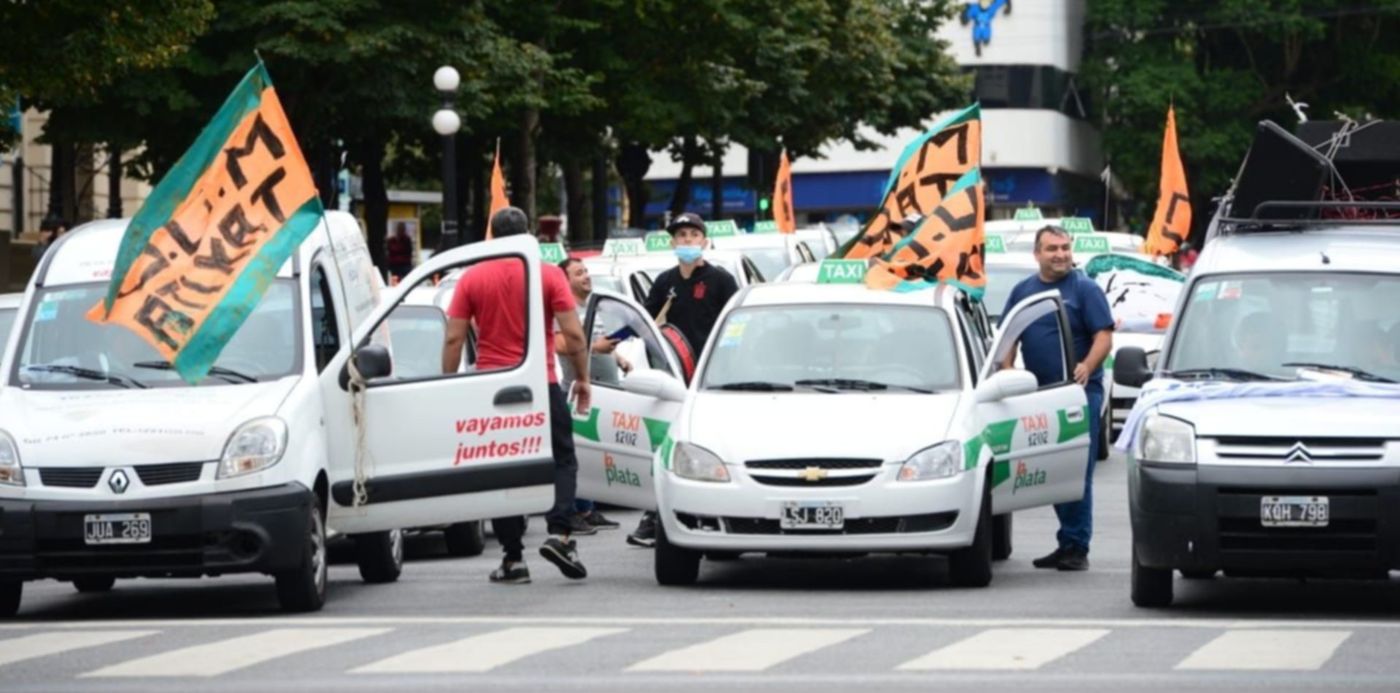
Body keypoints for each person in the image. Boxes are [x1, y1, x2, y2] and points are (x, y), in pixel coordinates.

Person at [442, 206, 591, 584]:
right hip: (539, 383)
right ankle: (560, 535)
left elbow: (454, 338)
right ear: (529, 236)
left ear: (492, 236)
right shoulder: (546, 275)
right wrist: (584, 378)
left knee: (503, 471)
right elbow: (573, 336)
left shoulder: (472, 278)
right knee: (562, 459)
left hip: (493, 388)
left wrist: (448, 385)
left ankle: (513, 558)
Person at [1001, 225, 1114, 572]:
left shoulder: (1085, 289)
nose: (1061, 254)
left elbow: (1104, 337)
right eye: (1052, 248)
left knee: (1076, 471)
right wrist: (1008, 372)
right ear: (1037, 254)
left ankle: (1076, 546)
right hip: (1039, 397)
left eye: (1065, 247)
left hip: (1079, 396)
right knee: (1053, 470)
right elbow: (1009, 338)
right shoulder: (1024, 290)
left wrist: (1087, 366)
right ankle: (1067, 540)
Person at [628, 211, 739, 548]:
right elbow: (644, 322)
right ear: (673, 243)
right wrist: (612, 341)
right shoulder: (665, 282)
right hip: (677, 379)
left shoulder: (721, 281)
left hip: (713, 381)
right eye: (681, 236)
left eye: (693, 235)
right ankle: (656, 516)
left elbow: (735, 327)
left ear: (704, 241)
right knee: (671, 446)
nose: (687, 241)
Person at [558, 257, 626, 533]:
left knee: (593, 453)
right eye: (578, 273)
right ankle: (573, 511)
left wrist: (617, 356)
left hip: (600, 392)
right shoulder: (564, 310)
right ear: (565, 281)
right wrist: (596, 348)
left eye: (586, 271)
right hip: (578, 393)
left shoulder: (592, 307)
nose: (586, 276)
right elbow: (563, 345)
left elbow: (597, 340)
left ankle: (588, 509)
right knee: (575, 454)